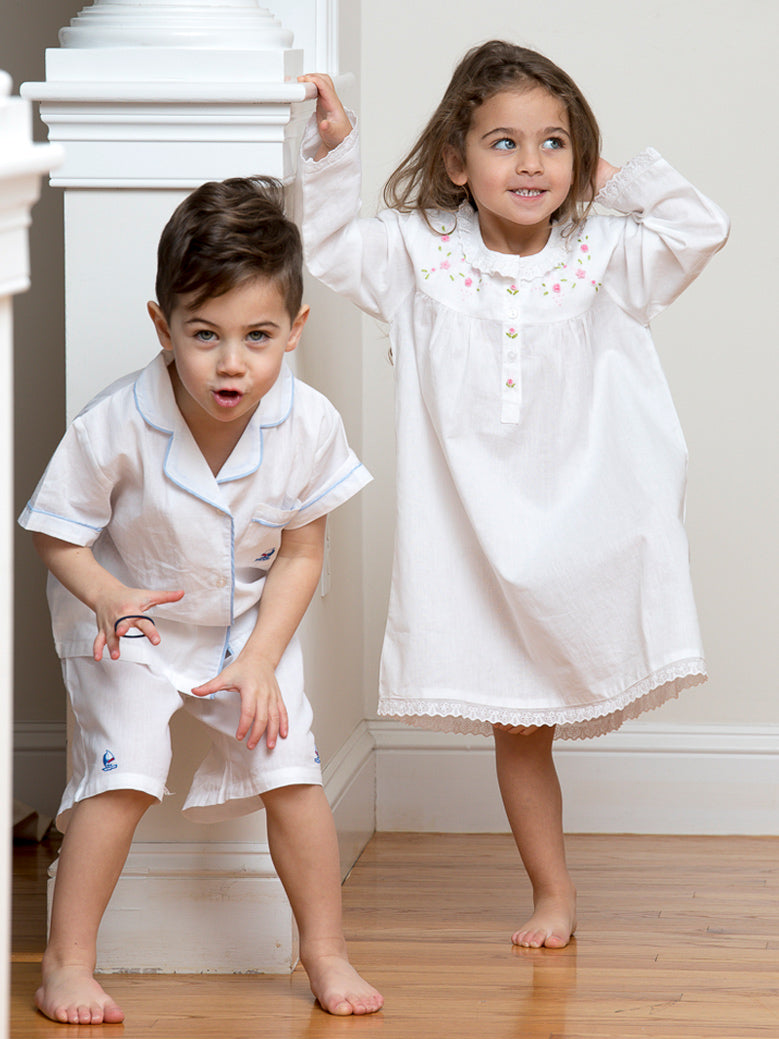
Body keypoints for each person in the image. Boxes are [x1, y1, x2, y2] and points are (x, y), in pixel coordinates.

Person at [297, 41, 729, 951]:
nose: (531, 164)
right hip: (473, 535)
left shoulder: (605, 252)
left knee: (548, 707)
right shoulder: (417, 252)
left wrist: (613, 178)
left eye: (552, 143)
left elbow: (701, 229)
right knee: (519, 724)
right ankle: (552, 891)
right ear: (455, 161)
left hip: (591, 519)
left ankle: (554, 887)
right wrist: (334, 150)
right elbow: (328, 248)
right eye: (503, 143)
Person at [19, 176, 384, 1023]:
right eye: (204, 335)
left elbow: (302, 552)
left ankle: (325, 950)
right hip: (129, 623)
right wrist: (108, 595)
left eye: (257, 336)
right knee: (124, 771)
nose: (230, 363)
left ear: (294, 328)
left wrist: (261, 659)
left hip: (246, 625)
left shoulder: (309, 422)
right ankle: (67, 963)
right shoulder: (114, 421)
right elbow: (55, 531)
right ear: (164, 326)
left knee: (292, 771)